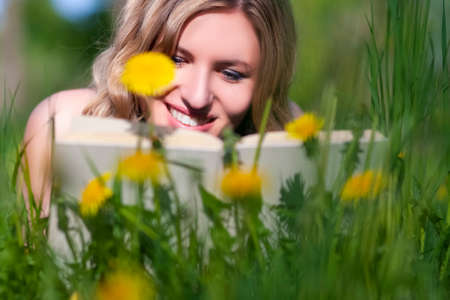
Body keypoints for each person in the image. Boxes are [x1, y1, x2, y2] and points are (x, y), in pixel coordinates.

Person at [23, 0, 301, 217]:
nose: (197, 97)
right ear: (139, 48)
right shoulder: (62, 126)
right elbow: (30, 277)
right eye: (176, 60)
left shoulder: (289, 142)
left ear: (266, 83)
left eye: (230, 74)